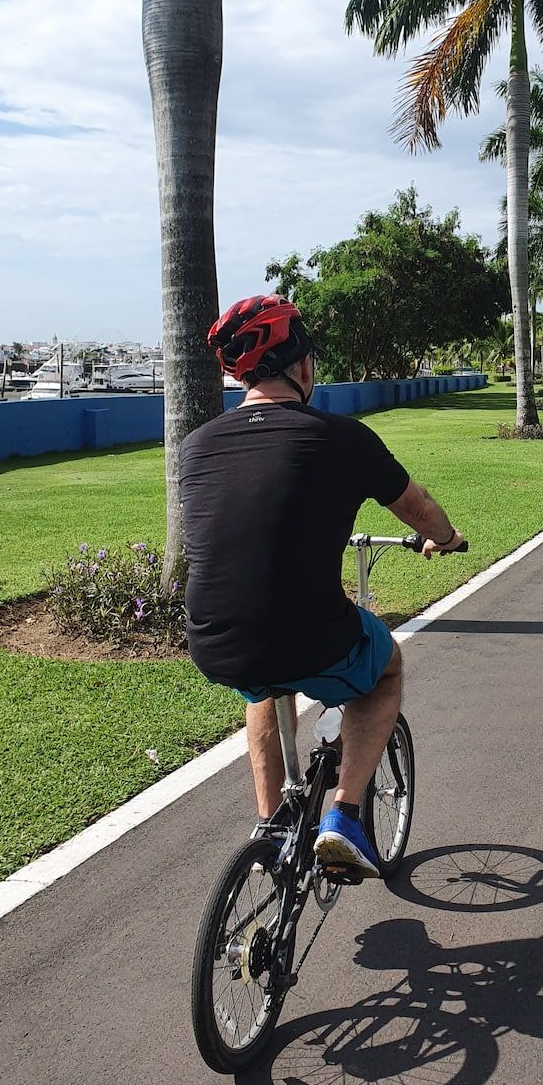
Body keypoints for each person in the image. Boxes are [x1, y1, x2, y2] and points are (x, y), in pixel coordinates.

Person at [179, 294, 466, 881]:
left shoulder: (196, 446)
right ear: (300, 367)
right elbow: (419, 510)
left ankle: (272, 828)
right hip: (309, 636)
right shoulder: (341, 438)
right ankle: (345, 817)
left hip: (214, 641)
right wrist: (449, 538)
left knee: (265, 688)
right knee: (384, 670)